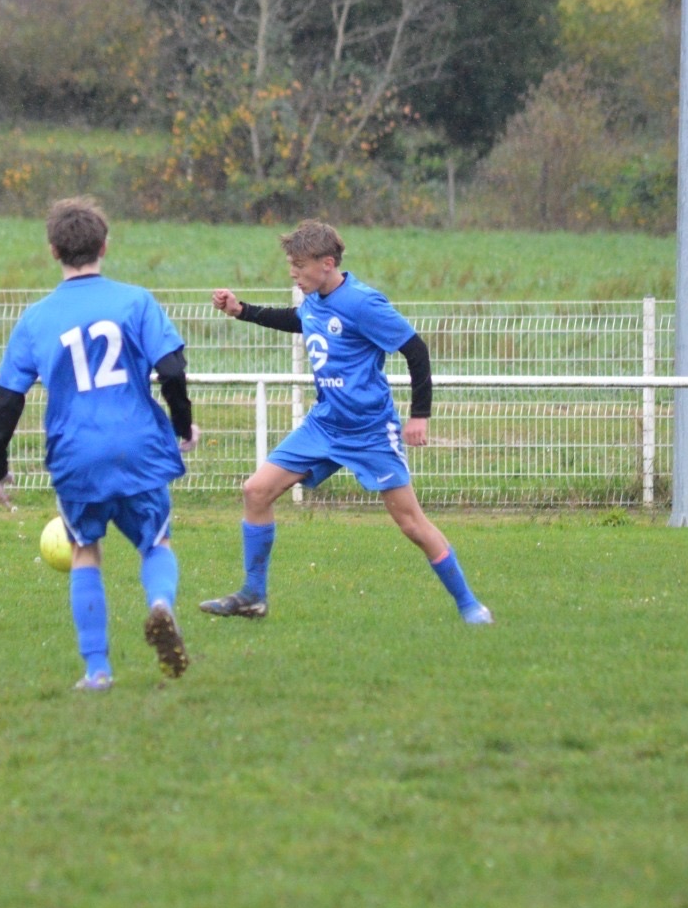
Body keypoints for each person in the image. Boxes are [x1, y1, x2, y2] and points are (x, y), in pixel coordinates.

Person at [200, 219, 493, 625]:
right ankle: (252, 596)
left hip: (370, 431)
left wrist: (419, 416)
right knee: (256, 491)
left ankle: (470, 605)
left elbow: (416, 350)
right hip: (324, 425)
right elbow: (299, 320)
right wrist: (241, 310)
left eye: (299, 265)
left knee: (411, 524)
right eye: (291, 265)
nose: (293, 273)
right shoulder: (315, 299)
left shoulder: (362, 303)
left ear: (327, 263)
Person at [0, 197, 201, 691]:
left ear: (53, 251)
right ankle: (160, 604)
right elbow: (171, 369)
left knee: (84, 551)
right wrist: (183, 425)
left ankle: (97, 671)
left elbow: (6, 399)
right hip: (137, 445)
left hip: (76, 453)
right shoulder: (136, 301)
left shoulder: (36, 319)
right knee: (156, 542)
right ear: (104, 246)